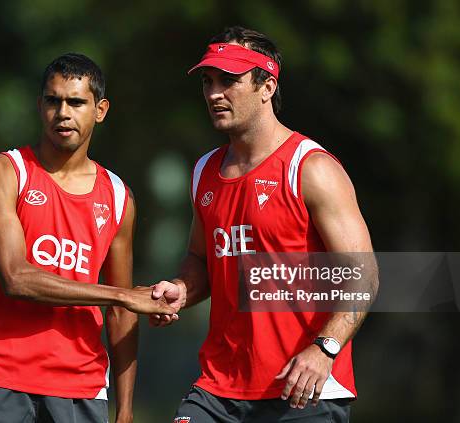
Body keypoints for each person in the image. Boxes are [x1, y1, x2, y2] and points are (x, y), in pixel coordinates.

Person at [151, 26, 378, 422]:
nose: (214, 94)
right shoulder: (205, 170)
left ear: (267, 86)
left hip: (303, 389)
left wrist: (324, 350)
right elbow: (200, 258)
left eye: (229, 81)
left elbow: (364, 277)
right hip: (218, 388)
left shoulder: (311, 168)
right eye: (208, 82)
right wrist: (182, 289)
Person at [0, 53, 174, 423]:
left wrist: (124, 411)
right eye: (52, 100)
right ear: (39, 105)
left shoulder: (120, 196)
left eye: (75, 102)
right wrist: (121, 294)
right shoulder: (5, 171)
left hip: (82, 388)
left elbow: (122, 316)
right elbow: (16, 278)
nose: (63, 112)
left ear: (100, 109)